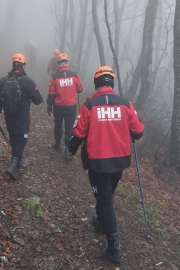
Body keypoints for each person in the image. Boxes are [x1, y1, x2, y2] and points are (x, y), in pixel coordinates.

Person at [68, 66, 144, 264]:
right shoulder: (126, 104)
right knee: (106, 195)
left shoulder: (90, 105)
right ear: (112, 82)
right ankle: (100, 221)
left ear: (96, 83)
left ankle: (113, 247)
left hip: (98, 162)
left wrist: (71, 148)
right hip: (119, 161)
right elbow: (138, 131)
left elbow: (78, 132)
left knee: (105, 199)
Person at [0, 54, 44, 180]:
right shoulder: (28, 81)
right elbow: (38, 100)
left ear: (12, 64)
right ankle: (14, 164)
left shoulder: (3, 80)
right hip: (22, 116)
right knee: (22, 139)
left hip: (8, 116)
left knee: (14, 136)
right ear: (24, 65)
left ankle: (17, 160)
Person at [47, 53, 83, 159]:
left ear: (59, 64)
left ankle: (58, 144)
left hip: (58, 106)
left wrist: (49, 105)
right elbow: (80, 89)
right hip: (71, 106)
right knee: (69, 127)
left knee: (58, 125)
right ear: (67, 63)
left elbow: (51, 94)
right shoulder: (75, 75)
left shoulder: (54, 77)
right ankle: (67, 149)